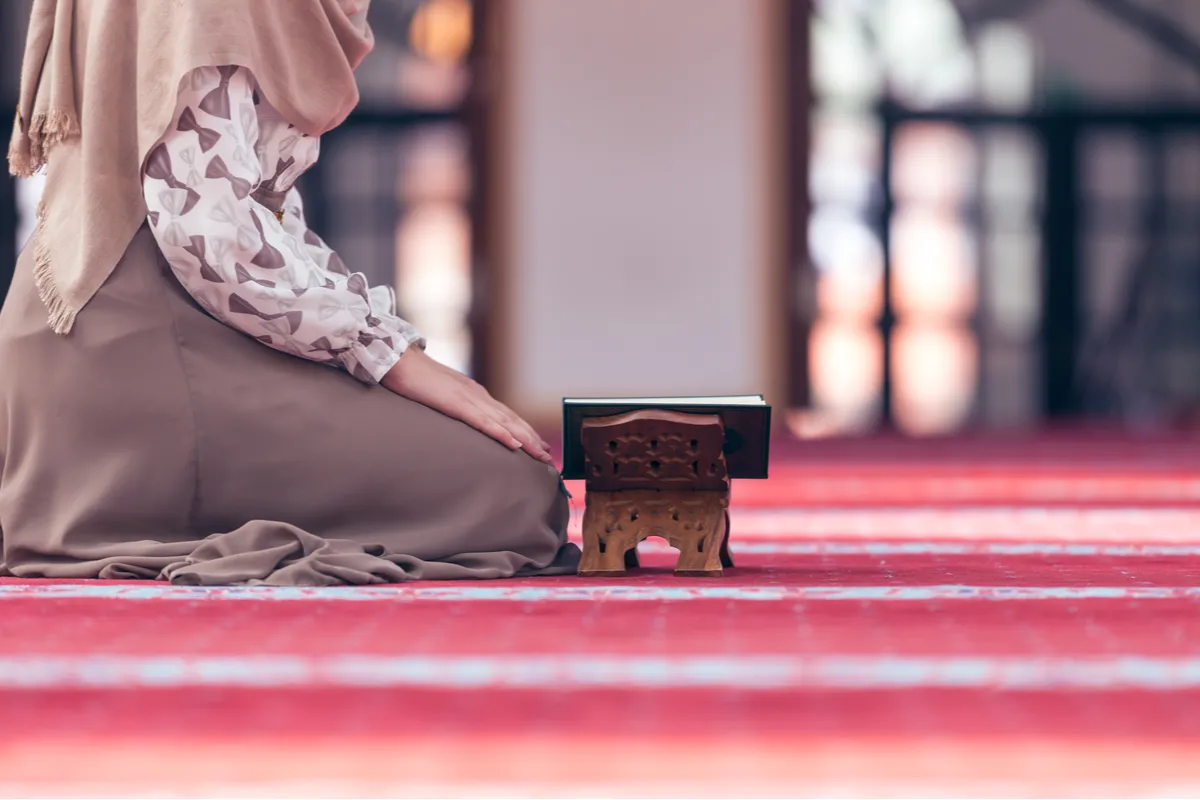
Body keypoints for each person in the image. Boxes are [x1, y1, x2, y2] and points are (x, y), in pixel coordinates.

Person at [0, 0, 580, 584]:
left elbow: (259, 216)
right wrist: (387, 355)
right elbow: (211, 236)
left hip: (138, 337)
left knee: (507, 480)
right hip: (145, 349)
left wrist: (388, 345)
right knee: (513, 493)